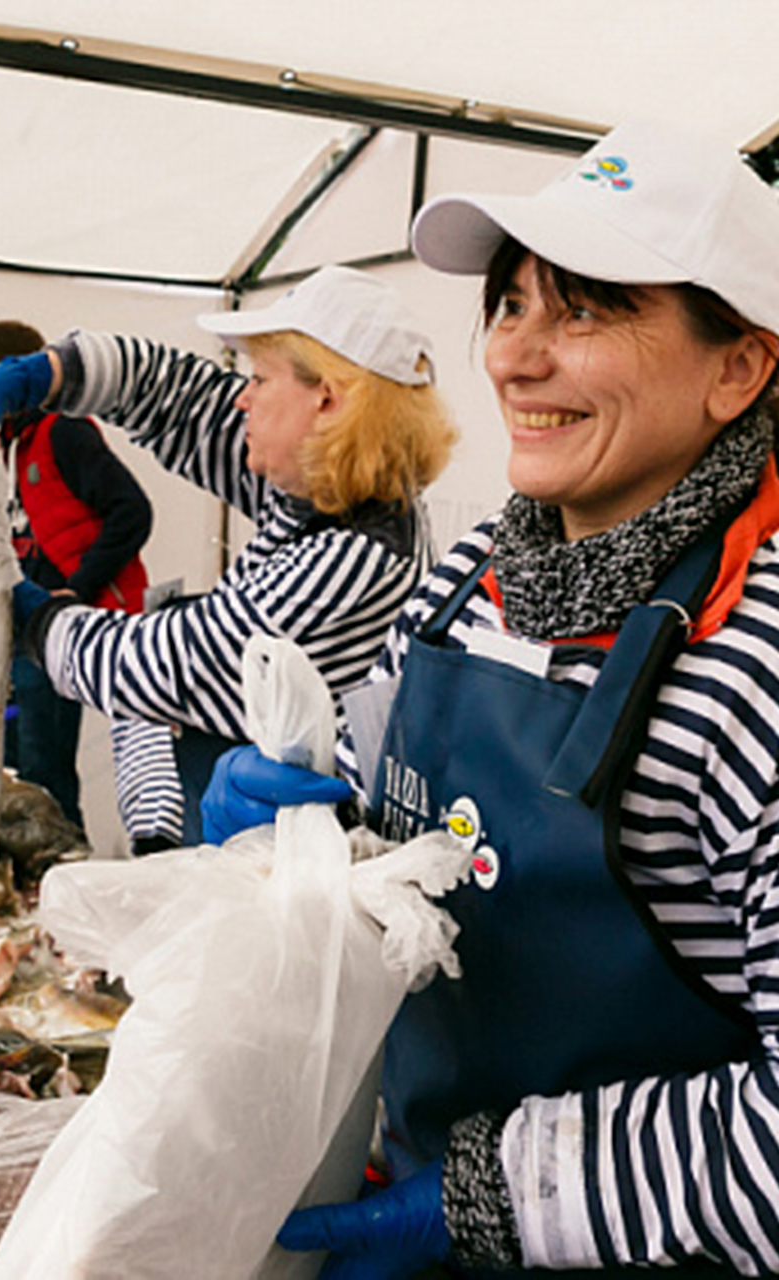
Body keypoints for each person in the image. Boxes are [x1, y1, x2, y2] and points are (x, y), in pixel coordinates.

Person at [203, 118, 779, 1277]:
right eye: (509, 303)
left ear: (738, 366)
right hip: (408, 1167)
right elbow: (393, 790)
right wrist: (304, 825)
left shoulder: (752, 669)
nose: (513, 356)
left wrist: (493, 1196)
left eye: (585, 307)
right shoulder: (479, 565)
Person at [0, 267, 458, 845]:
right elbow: (178, 400)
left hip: (282, 860)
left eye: (260, 379)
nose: (242, 398)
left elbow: (152, 666)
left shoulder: (356, 558)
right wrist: (36, 377)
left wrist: (3, 596)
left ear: (326, 400)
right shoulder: (324, 484)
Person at [0, 319, 154, 833]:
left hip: (71, 623)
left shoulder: (62, 432)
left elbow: (132, 511)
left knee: (47, 769)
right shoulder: (10, 445)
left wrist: (80, 587)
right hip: (29, 625)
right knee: (19, 757)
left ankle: (64, 864)